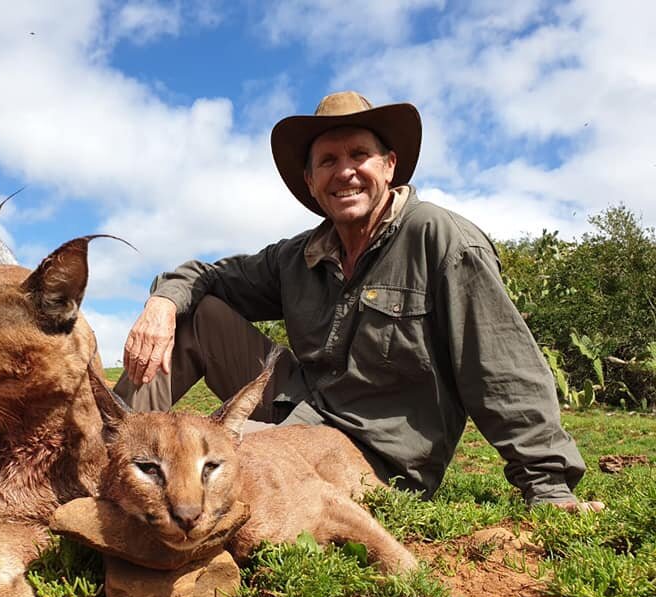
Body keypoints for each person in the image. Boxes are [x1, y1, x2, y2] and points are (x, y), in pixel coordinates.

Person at [114, 90, 603, 512]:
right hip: (297, 407)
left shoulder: (439, 239)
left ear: (388, 166)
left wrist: (548, 485)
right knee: (195, 311)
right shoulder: (298, 255)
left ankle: (123, 485)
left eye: (358, 155)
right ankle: (105, 448)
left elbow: (499, 365)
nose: (344, 171)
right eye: (328, 160)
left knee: (204, 465)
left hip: (371, 455)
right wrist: (161, 305)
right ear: (310, 181)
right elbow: (208, 276)